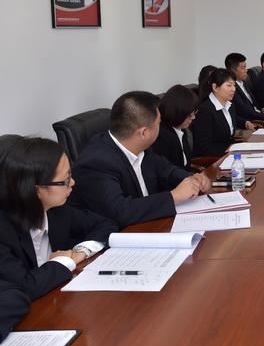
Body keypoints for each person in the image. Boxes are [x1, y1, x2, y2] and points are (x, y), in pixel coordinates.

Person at [70, 91, 210, 227]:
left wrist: (191, 179)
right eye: (159, 123)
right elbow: (120, 211)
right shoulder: (96, 163)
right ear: (143, 133)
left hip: (151, 224)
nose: (161, 127)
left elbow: (166, 169)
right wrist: (173, 196)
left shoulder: (139, 146)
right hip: (123, 235)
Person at [0, 138, 116, 299]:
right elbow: (24, 289)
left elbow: (105, 224)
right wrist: (63, 261)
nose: (72, 183)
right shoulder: (4, 231)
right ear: (36, 190)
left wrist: (81, 251)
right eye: (65, 180)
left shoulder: (56, 209)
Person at [192, 68, 254, 157]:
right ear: (215, 87)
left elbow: (229, 134)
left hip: (229, 153)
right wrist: (230, 150)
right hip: (213, 159)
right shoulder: (204, 111)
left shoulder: (229, 105)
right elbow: (204, 147)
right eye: (229, 85)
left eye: (234, 85)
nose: (233, 89)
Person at [151, 85, 198, 171]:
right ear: (178, 113)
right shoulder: (162, 136)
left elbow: (185, 163)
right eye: (189, 115)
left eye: (194, 113)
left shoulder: (181, 128)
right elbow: (166, 172)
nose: (193, 117)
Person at [224, 52, 264, 124]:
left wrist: (262, 109)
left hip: (257, 114)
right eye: (243, 68)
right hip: (250, 121)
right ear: (233, 70)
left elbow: (252, 103)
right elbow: (243, 110)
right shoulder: (231, 88)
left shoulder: (243, 82)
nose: (246, 70)